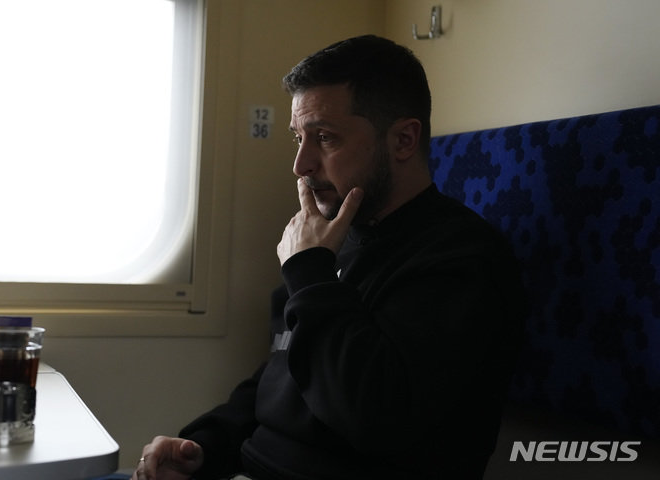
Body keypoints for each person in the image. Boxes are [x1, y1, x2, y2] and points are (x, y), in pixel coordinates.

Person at [133, 34, 526, 480]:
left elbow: (375, 418)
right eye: (298, 138)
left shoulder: (462, 259)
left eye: (324, 138)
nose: (301, 164)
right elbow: (281, 376)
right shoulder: (336, 240)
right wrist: (203, 447)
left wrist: (309, 274)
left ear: (403, 140)